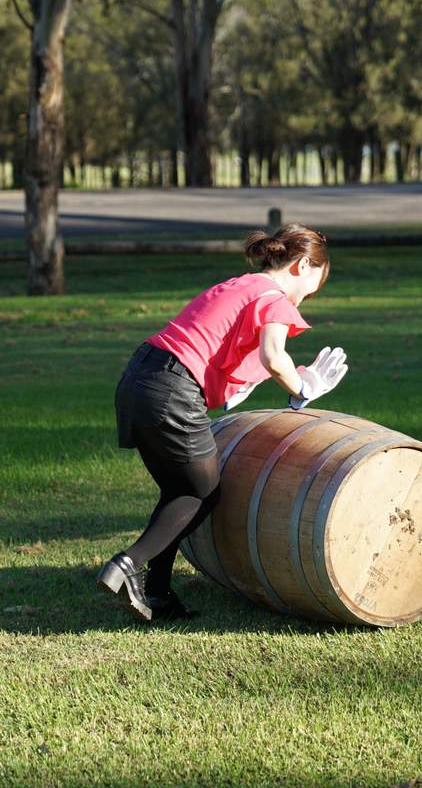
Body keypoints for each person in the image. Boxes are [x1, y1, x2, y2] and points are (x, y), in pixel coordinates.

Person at [97, 224, 349, 621]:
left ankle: (158, 593)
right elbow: (272, 356)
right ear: (302, 266)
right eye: (317, 282)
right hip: (172, 388)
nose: (310, 295)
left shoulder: (240, 285)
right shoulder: (275, 298)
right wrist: (303, 387)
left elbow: (223, 359)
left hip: (139, 377)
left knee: (180, 490)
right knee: (202, 492)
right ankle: (127, 565)